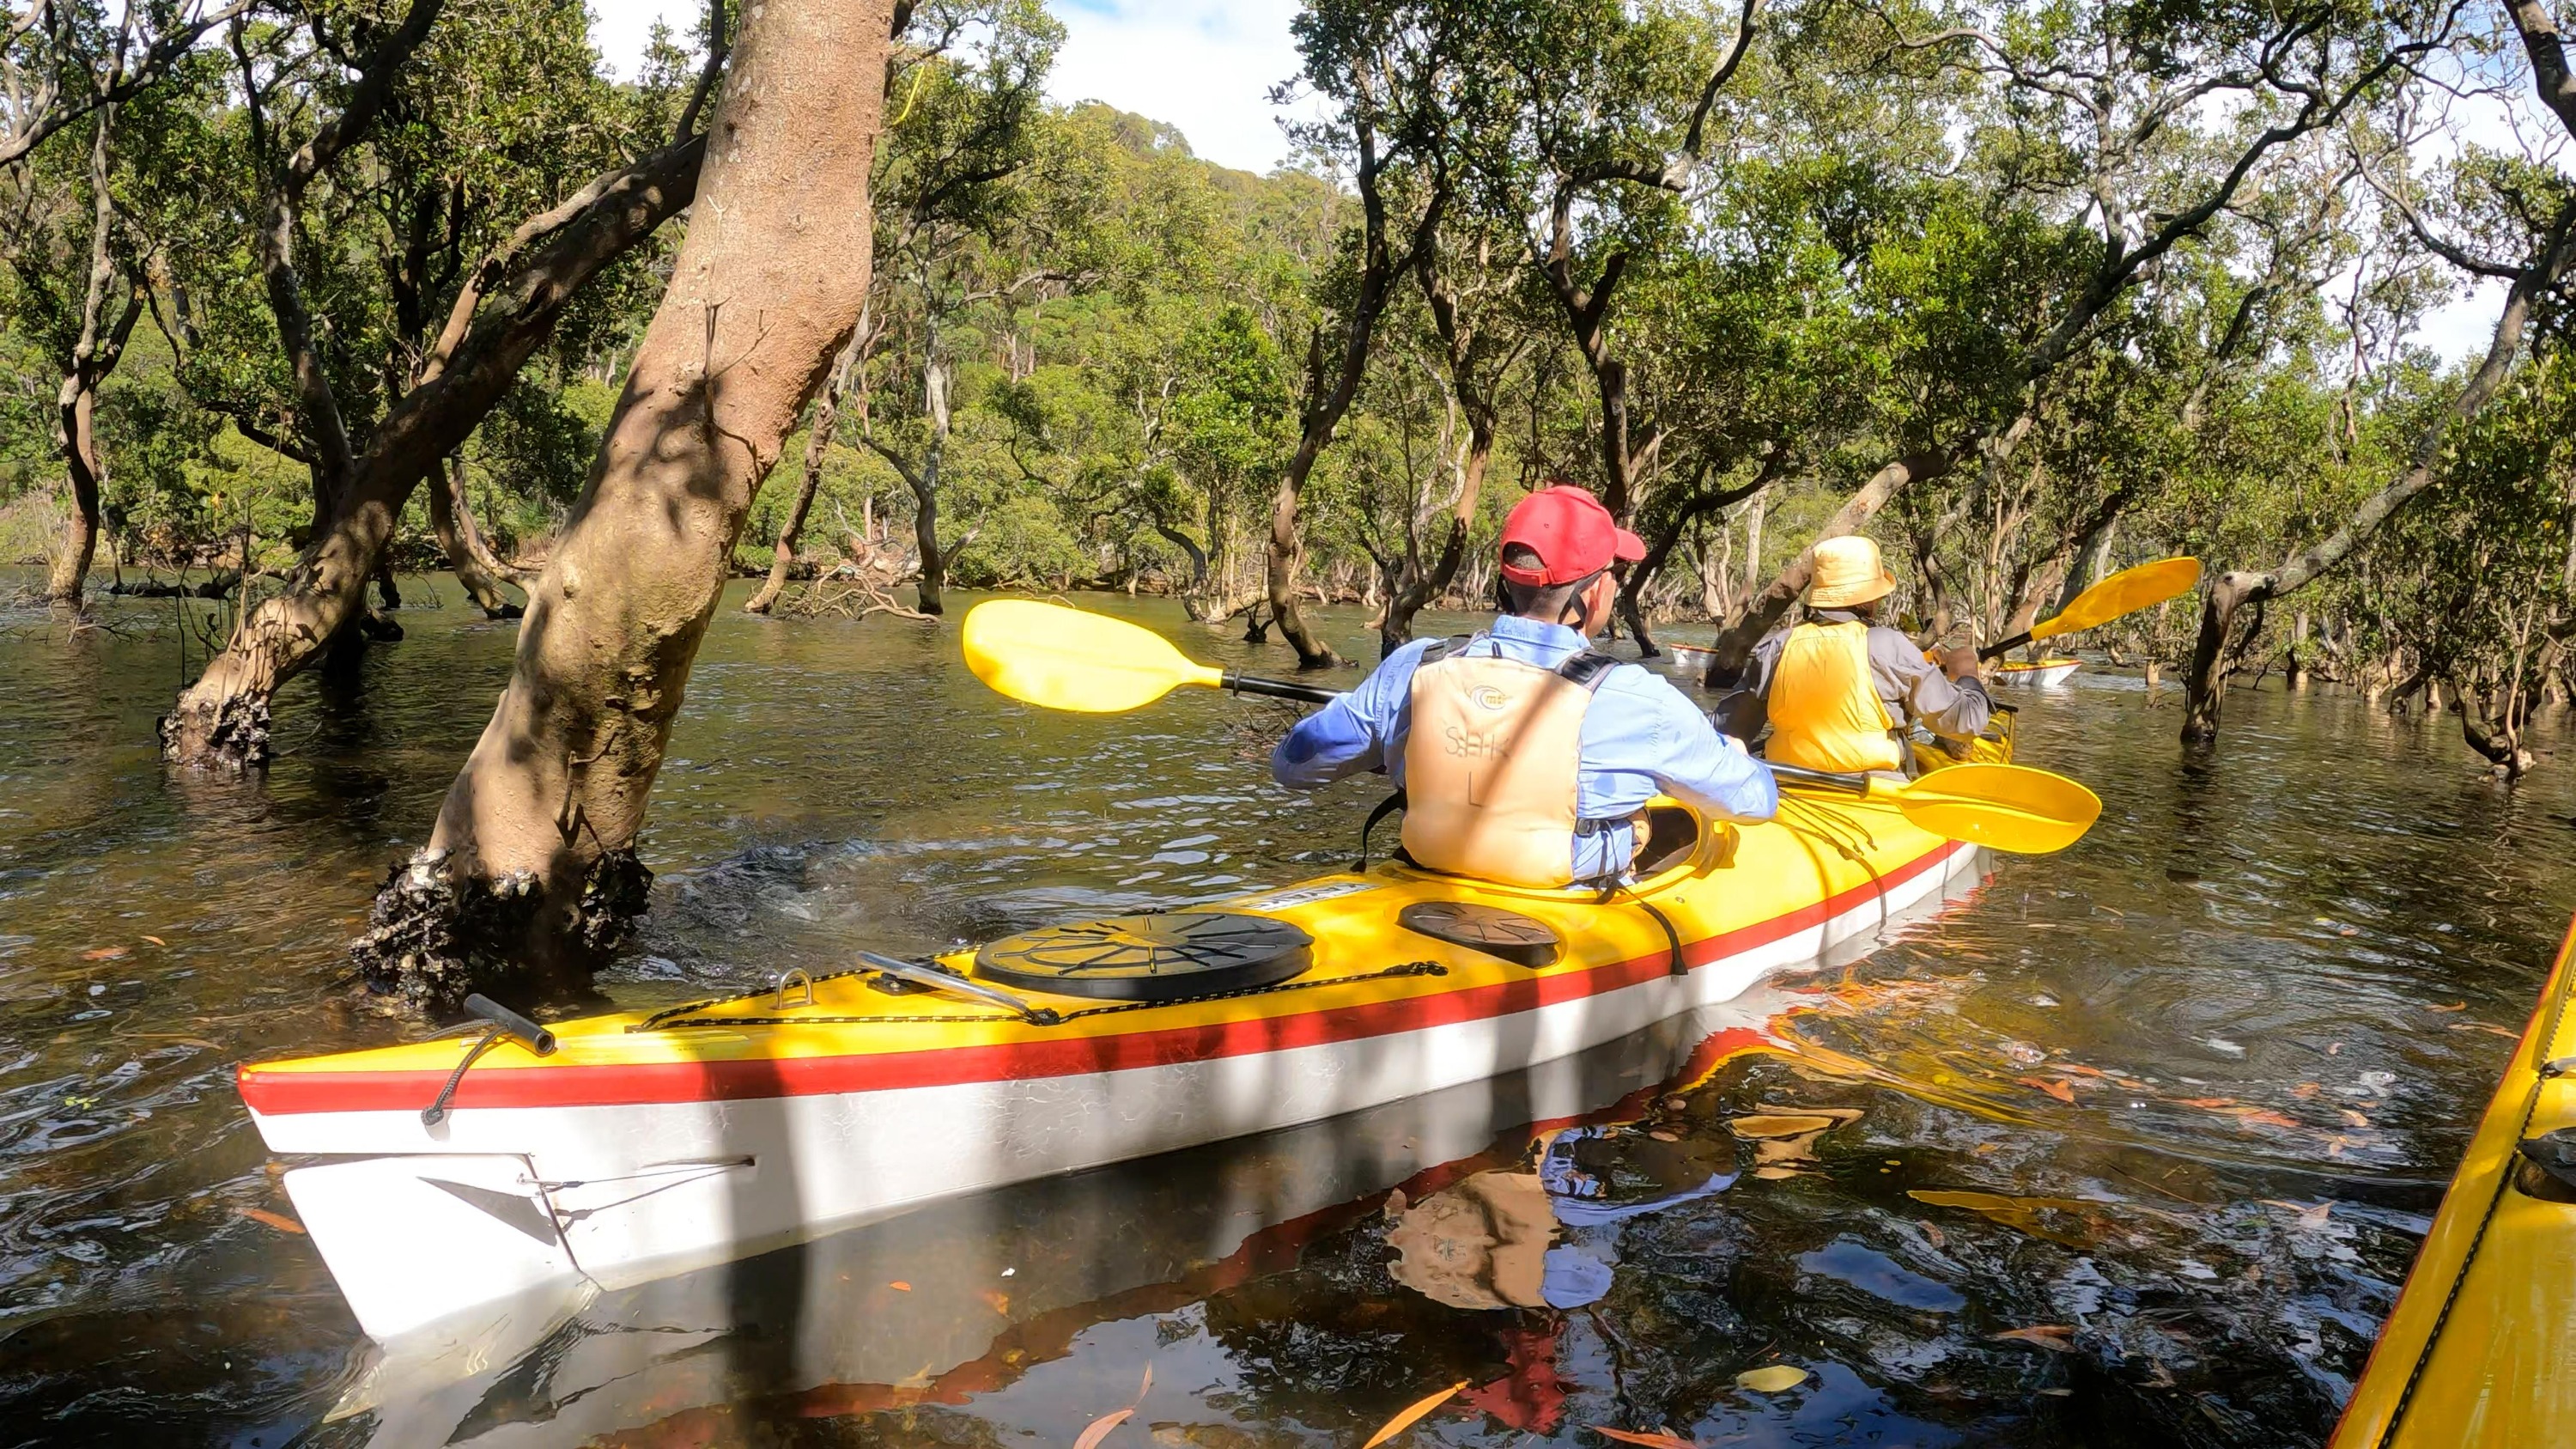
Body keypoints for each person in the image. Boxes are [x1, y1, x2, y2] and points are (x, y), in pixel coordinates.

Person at [1270, 484, 1777, 888]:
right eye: (1614, 575)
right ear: (1595, 591)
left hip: (1427, 877)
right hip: (1566, 906)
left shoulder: (1414, 666)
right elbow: (1754, 802)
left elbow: (1292, 766)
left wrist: (1385, 734)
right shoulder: (1641, 699)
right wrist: (1734, 752)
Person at [1721, 535, 1990, 773]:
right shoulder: (1889, 645)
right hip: (1872, 792)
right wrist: (1967, 673)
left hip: (1788, 784)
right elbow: (1967, 721)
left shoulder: (1777, 647)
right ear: (1869, 600)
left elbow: (1730, 731)